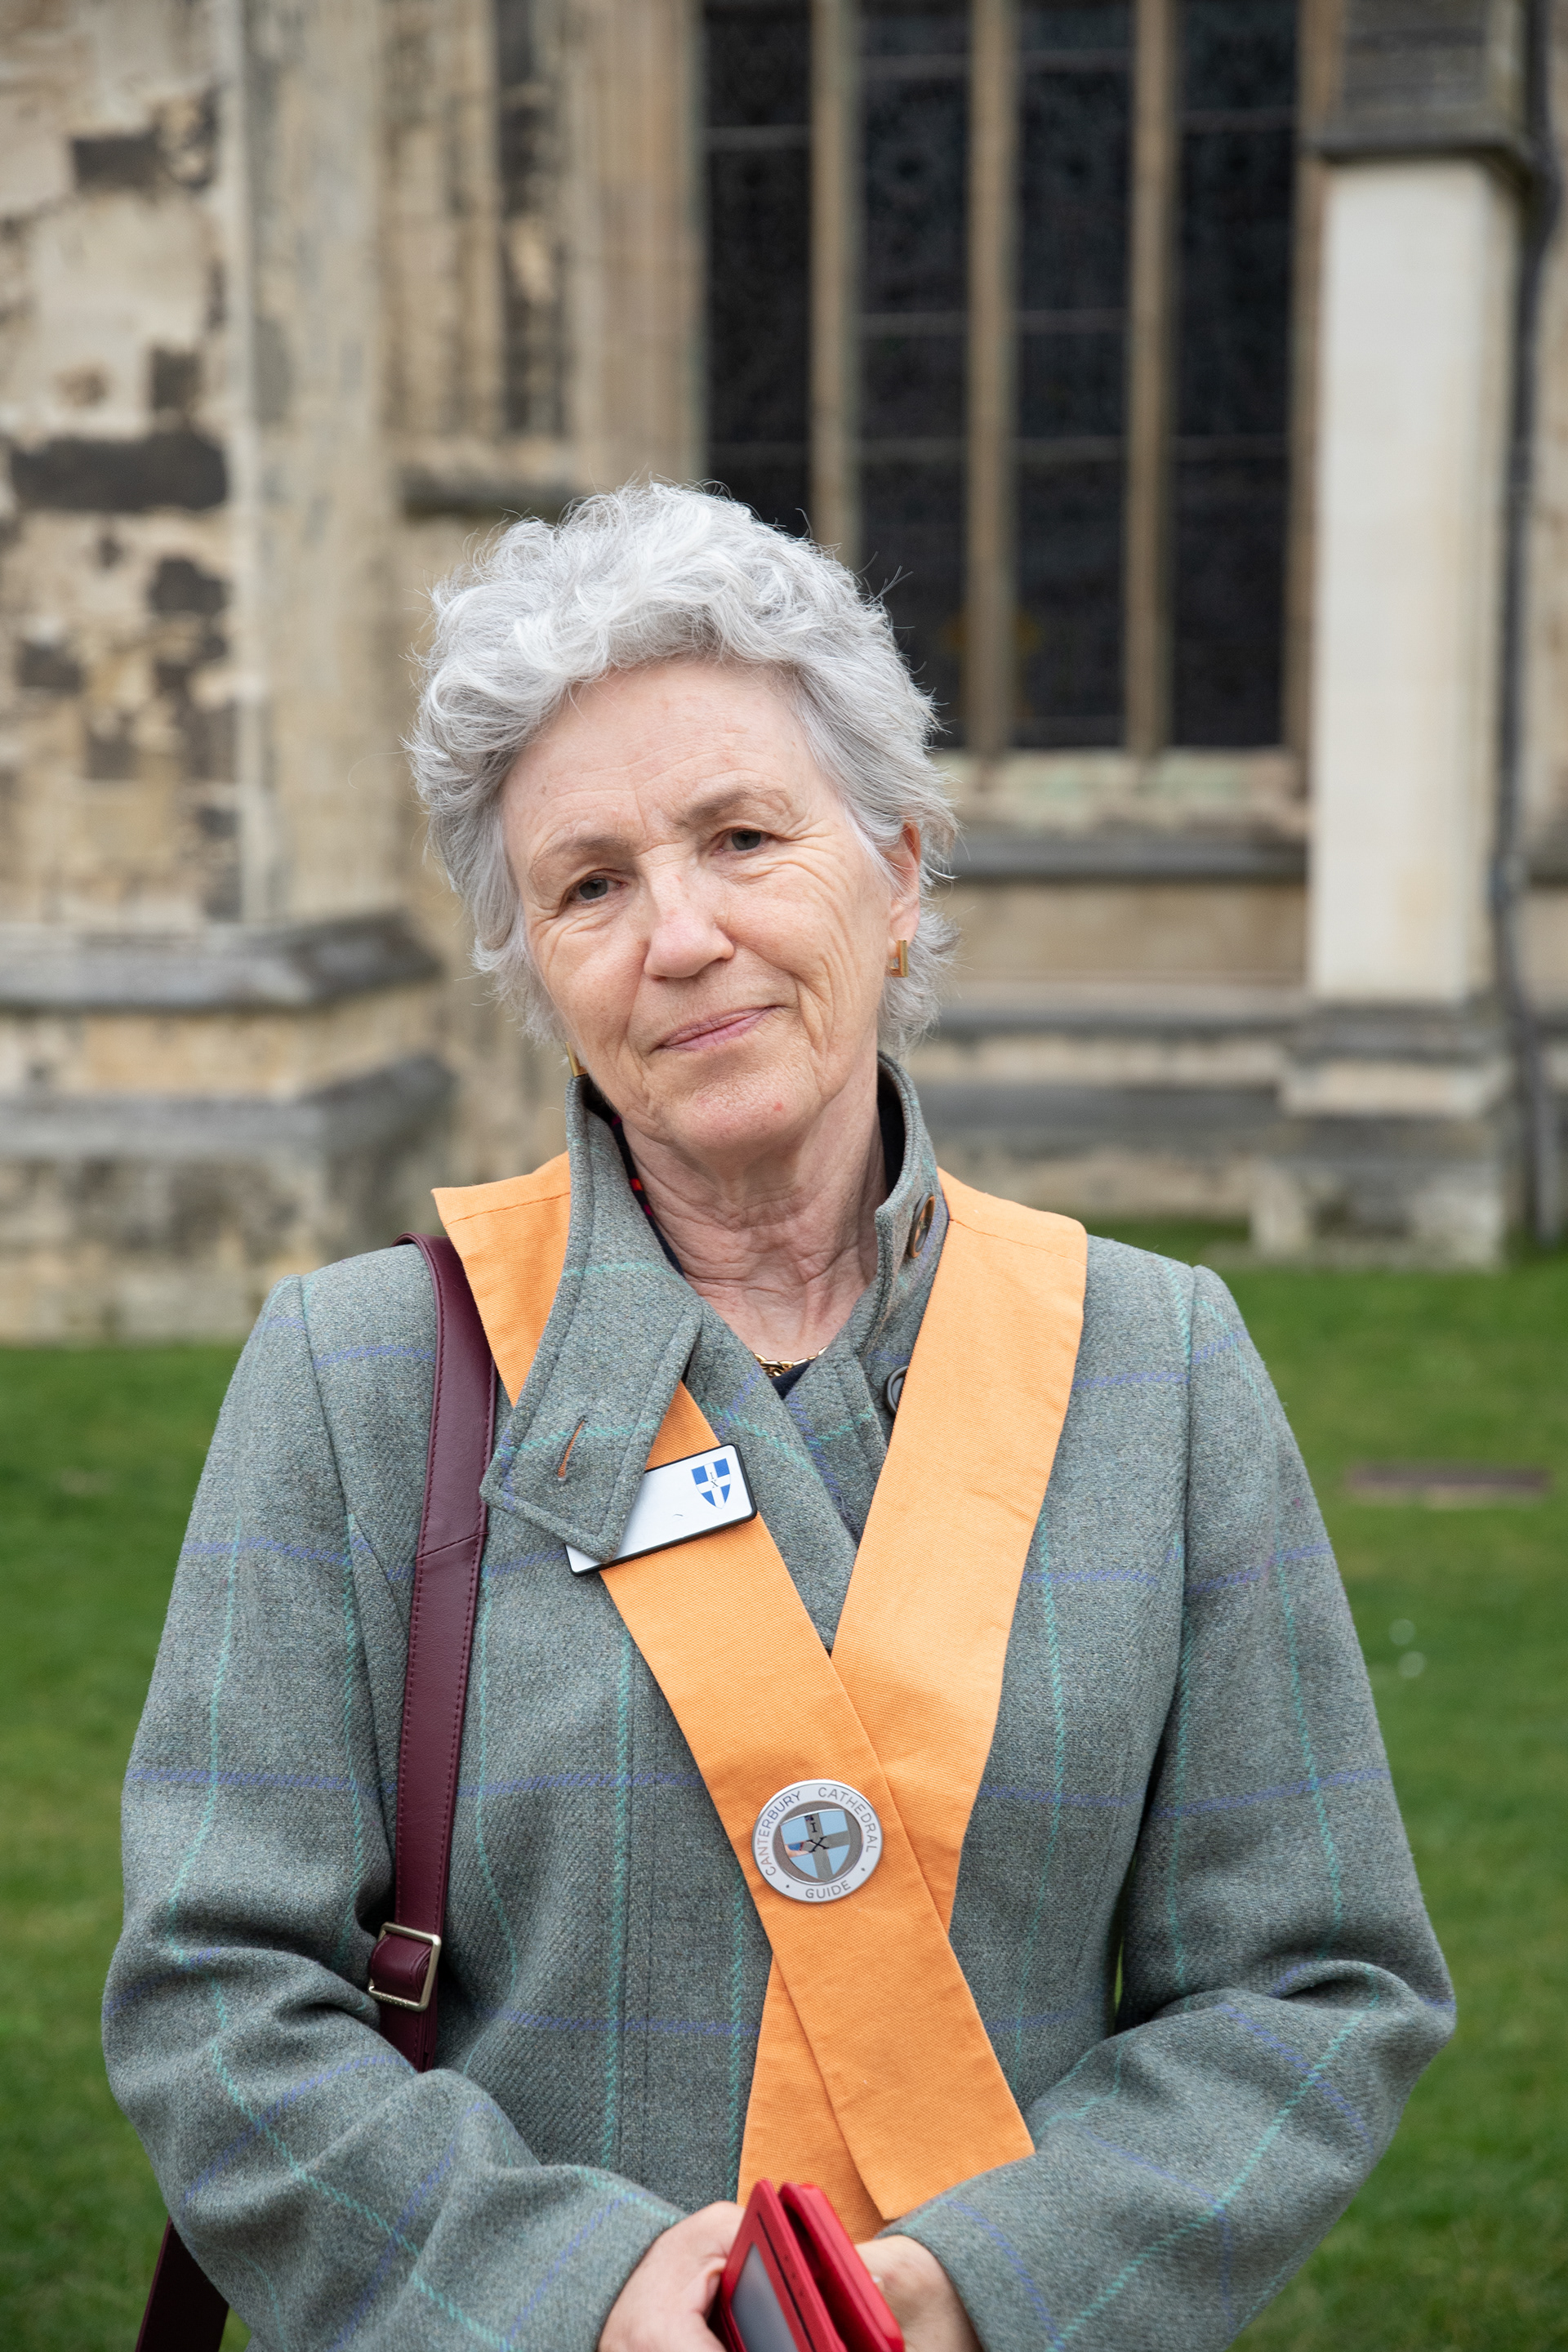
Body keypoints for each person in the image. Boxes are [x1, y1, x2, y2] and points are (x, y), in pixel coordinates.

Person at [105, 484, 1452, 2352]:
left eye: (742, 836)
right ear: (534, 970)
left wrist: (994, 2285)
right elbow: (213, 1996)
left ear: (899, 871)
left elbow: (1313, 1984)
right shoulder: (352, 1378)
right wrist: (565, 2290)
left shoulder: (1163, 1362)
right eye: (589, 885)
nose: (680, 936)